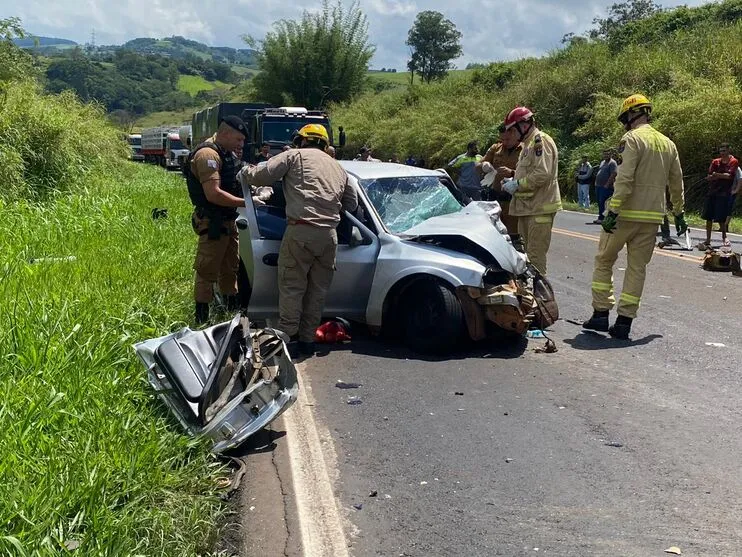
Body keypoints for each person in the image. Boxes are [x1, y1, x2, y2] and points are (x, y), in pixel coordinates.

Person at [239, 124, 358, 357]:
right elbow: (351, 204)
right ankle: (307, 341)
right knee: (317, 290)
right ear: (325, 144)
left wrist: (245, 171)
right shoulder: (338, 167)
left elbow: (260, 176)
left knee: (292, 286)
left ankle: (287, 337)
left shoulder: (293, 156)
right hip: (329, 237)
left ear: (301, 141)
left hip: (300, 231)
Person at [583, 94, 686, 339]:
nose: (626, 123)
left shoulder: (631, 139)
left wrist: (613, 210)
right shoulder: (668, 144)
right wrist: (679, 212)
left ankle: (600, 314)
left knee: (604, 260)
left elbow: (625, 179)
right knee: (636, 268)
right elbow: (676, 182)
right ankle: (624, 323)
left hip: (624, 215)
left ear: (632, 114)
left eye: (626, 118)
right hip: (651, 217)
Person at [185, 115, 248, 325]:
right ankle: (201, 318)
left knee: (230, 268)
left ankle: (230, 315)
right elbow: (213, 194)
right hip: (213, 221)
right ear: (225, 133)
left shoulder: (225, 153)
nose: (241, 145)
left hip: (228, 221)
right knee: (207, 270)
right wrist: (248, 202)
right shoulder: (207, 155)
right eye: (238, 139)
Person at [501, 106, 562, 275]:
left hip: (540, 209)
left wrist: (517, 185)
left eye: (513, 129)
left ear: (524, 125)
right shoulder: (527, 145)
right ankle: (533, 294)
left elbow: (542, 173)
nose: (511, 134)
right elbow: (529, 173)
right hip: (528, 209)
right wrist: (512, 181)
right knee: (527, 257)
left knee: (535, 259)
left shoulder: (539, 141)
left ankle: (541, 298)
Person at [476, 123, 522, 233]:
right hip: (495, 199)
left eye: (508, 139)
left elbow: (532, 174)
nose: (505, 142)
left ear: (515, 134)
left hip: (514, 201)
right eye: (502, 139)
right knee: (493, 233)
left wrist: (512, 173)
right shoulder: (496, 148)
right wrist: (484, 166)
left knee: (513, 235)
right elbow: (477, 167)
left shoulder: (525, 150)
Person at [702, 143, 738, 248]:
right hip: (713, 191)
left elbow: (730, 176)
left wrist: (717, 175)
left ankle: (724, 237)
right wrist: (712, 177)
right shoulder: (715, 162)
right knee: (708, 217)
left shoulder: (733, 161)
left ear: (728, 150)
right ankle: (707, 240)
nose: (722, 153)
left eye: (724, 151)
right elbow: (710, 175)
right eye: (721, 151)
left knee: (721, 218)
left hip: (724, 193)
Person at [593, 150, 618, 223]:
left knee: (604, 202)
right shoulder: (602, 162)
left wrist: (607, 184)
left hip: (606, 187)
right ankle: (600, 217)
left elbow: (614, 173)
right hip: (598, 185)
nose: (606, 156)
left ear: (610, 155)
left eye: (607, 154)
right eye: (604, 154)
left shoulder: (612, 163)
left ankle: (603, 218)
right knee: (599, 202)